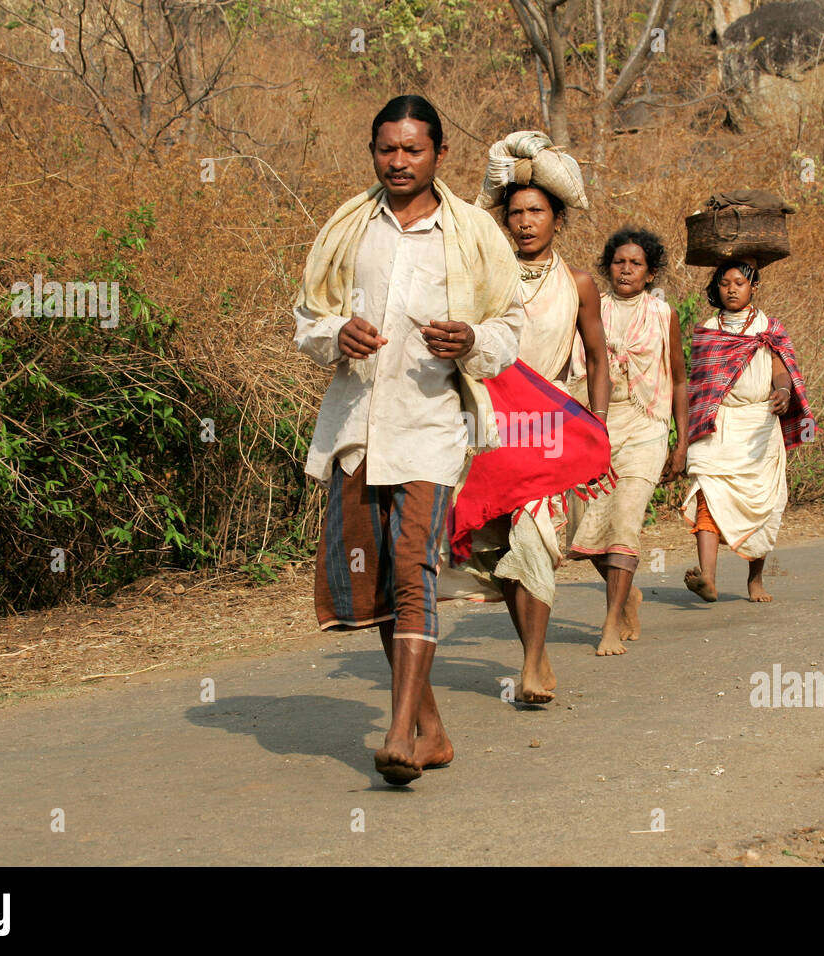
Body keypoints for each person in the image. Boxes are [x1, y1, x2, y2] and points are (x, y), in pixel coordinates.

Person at [293, 95, 524, 786]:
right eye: (386, 149)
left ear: (439, 155)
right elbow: (307, 317)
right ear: (373, 152)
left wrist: (473, 339)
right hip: (360, 426)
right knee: (382, 584)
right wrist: (336, 334)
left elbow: (510, 327)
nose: (398, 161)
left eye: (412, 150)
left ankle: (398, 734)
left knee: (414, 563)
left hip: (431, 427)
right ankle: (432, 731)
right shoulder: (349, 229)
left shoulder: (475, 235)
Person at [456, 132, 610, 703]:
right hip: (493, 430)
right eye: (515, 212)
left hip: (552, 430)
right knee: (501, 555)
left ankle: (529, 665)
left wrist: (597, 425)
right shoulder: (487, 278)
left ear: (558, 219)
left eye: (536, 212)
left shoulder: (579, 285)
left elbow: (596, 358)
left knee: (538, 539)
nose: (524, 222)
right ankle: (536, 657)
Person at [567, 228, 688, 656]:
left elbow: (679, 377)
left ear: (650, 272)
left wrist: (681, 442)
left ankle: (609, 625)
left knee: (626, 519)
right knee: (582, 526)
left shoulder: (662, 315)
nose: (626, 269)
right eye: (619, 262)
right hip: (593, 424)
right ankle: (629, 596)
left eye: (636, 263)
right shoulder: (588, 308)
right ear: (607, 266)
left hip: (646, 426)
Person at [680, 258, 814, 604]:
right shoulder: (710, 328)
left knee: (762, 503)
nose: (732, 289)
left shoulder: (768, 327)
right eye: (725, 283)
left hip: (759, 423)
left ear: (754, 287)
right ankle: (708, 578)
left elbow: (780, 368)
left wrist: (783, 392)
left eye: (740, 282)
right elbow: (702, 385)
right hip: (718, 423)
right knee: (707, 492)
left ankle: (755, 579)